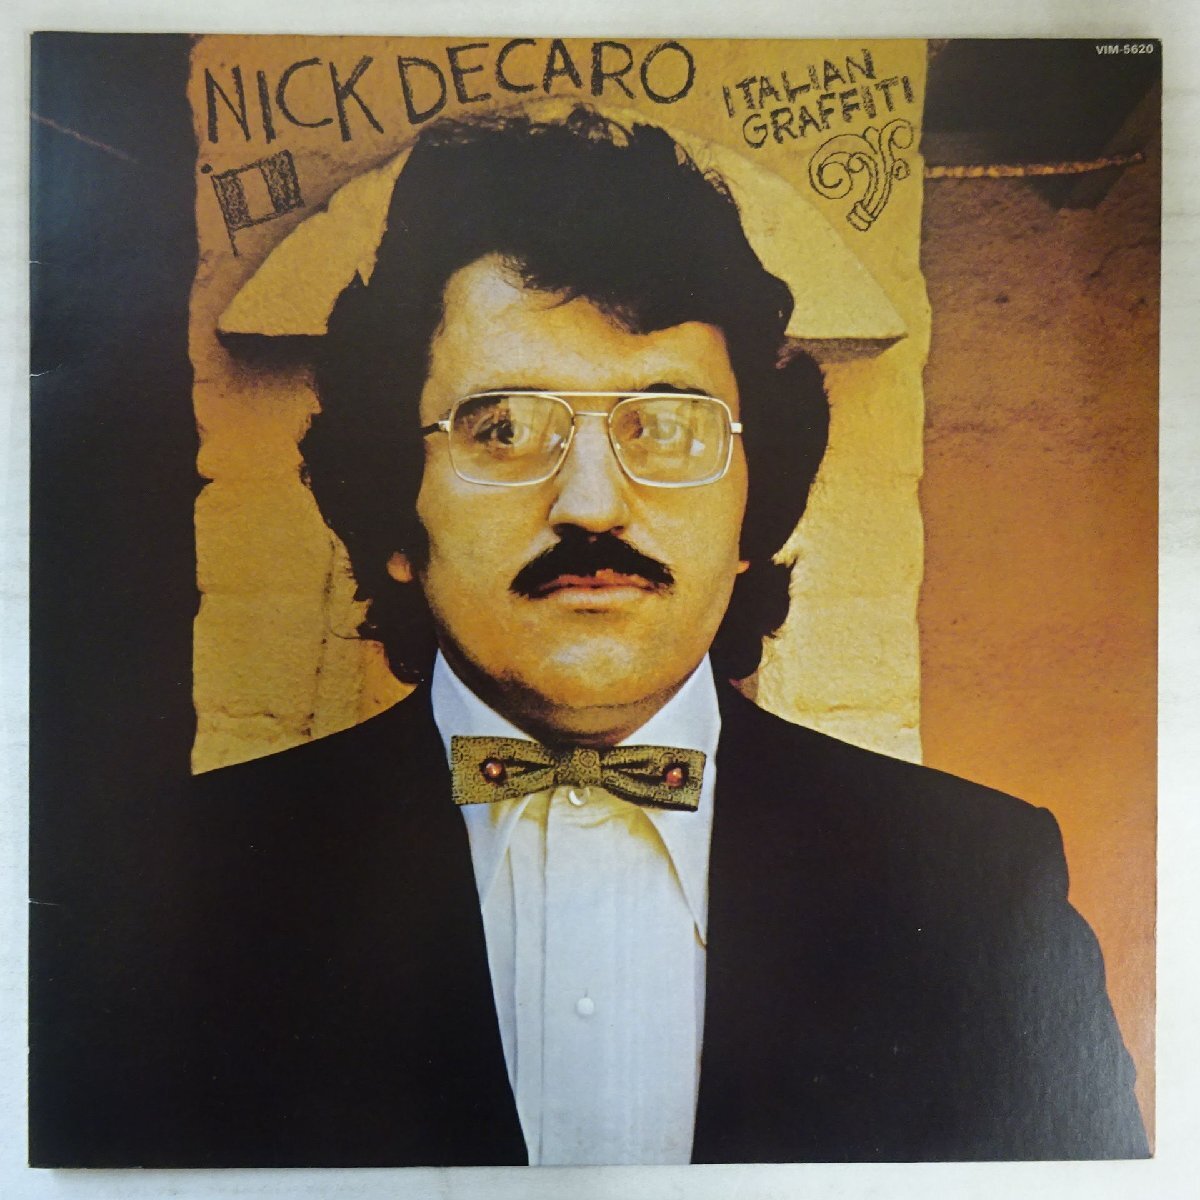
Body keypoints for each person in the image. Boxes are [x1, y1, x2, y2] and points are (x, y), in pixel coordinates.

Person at [37, 106, 1147, 1168]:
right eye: (503, 428)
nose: (592, 506)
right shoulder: (171, 887)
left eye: (666, 425)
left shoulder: (979, 882)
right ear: (394, 512)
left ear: (750, 512)